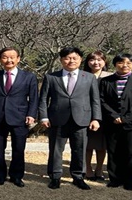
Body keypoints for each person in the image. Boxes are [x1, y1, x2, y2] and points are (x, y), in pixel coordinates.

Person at [39, 47, 101, 190]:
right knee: (55, 149)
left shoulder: (89, 77)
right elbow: (43, 99)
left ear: (80, 60)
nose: (71, 61)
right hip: (57, 119)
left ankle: (78, 176)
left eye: (74, 58)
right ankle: (55, 177)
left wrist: (96, 118)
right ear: (61, 60)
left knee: (79, 149)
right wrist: (43, 117)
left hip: (81, 119)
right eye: (67, 58)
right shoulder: (51, 77)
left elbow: (95, 100)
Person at [0, 47, 38, 187]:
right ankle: (0, 176)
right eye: (5, 57)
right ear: (0, 59)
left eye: (12, 57)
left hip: (20, 117)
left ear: (18, 59)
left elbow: (34, 98)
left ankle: (16, 176)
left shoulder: (29, 77)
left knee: (18, 148)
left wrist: (31, 114)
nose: (9, 60)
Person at [99, 53, 132, 191]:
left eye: (129, 63)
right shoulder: (105, 81)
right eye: (121, 62)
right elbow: (102, 100)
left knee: (130, 152)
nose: (125, 65)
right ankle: (115, 179)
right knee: (113, 151)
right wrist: (114, 116)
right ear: (115, 64)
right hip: (112, 122)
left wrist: (126, 118)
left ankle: (130, 180)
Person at [83, 50, 113, 181]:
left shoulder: (111, 76)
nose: (96, 62)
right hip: (85, 113)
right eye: (92, 60)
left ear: (104, 61)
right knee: (87, 144)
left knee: (102, 145)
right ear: (87, 62)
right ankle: (88, 169)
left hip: (106, 115)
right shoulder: (82, 75)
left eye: (99, 59)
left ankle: (99, 168)